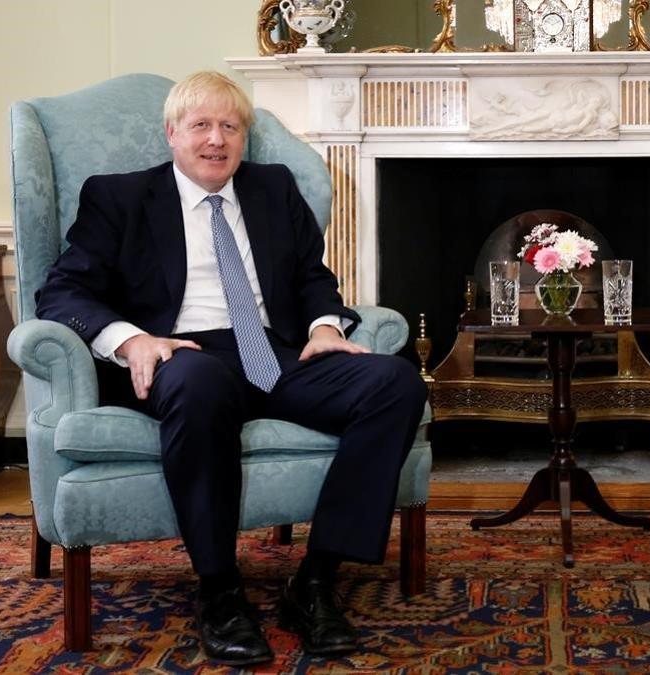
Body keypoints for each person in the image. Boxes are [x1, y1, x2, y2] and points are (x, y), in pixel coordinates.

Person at [35, 71, 427, 666]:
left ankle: (316, 580)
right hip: (181, 354)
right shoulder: (119, 198)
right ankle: (220, 591)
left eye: (229, 125)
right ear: (172, 134)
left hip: (275, 352)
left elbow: (311, 279)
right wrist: (132, 340)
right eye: (200, 125)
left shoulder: (273, 188)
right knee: (199, 382)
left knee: (394, 381)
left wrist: (324, 328)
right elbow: (62, 293)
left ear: (243, 137)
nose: (215, 139)